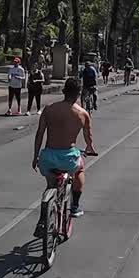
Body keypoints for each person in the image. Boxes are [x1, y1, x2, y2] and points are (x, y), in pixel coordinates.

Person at [32, 77, 96, 224]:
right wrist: (90, 147)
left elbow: (39, 134)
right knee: (80, 168)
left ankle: (44, 215)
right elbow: (88, 137)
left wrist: (35, 157)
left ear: (63, 91)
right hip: (68, 159)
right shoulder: (82, 113)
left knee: (51, 184)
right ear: (79, 93)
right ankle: (74, 206)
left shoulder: (49, 109)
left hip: (47, 158)